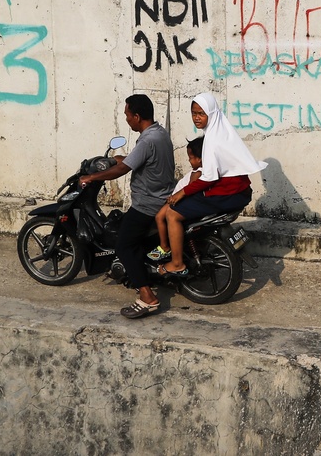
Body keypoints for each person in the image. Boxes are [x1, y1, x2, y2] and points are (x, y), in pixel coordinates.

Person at [79, 94, 175, 319]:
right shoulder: (160, 134)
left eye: (127, 115)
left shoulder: (147, 140)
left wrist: (92, 177)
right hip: (162, 198)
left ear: (137, 116)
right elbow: (136, 161)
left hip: (146, 204)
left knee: (123, 246)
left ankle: (147, 297)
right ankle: (143, 272)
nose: (126, 120)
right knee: (136, 242)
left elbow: (123, 170)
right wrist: (119, 158)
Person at [148, 92, 264, 276]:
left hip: (226, 194)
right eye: (194, 113)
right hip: (239, 192)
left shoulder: (211, 140)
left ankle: (177, 263)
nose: (197, 118)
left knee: (172, 214)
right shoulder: (224, 132)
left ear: (211, 113)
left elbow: (208, 177)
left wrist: (182, 192)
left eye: (201, 113)